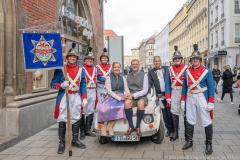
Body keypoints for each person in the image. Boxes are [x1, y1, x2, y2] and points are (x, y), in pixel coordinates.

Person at [51, 46, 87, 154]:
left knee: (76, 117)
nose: (72, 58)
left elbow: (83, 85)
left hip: (76, 96)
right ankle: (62, 142)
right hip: (64, 97)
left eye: (74, 57)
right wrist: (61, 85)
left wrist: (84, 97)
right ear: (67, 58)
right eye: (70, 56)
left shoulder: (81, 70)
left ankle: (75, 140)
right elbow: (52, 84)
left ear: (76, 58)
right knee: (63, 118)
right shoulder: (61, 69)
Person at [181, 44, 215, 155]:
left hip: (202, 97)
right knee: (190, 119)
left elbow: (211, 87)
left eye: (196, 59)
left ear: (200, 60)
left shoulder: (206, 71)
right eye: (193, 59)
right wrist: (183, 100)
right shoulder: (187, 72)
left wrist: (210, 101)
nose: (194, 60)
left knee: (206, 120)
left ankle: (208, 143)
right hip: (190, 97)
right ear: (191, 60)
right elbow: (185, 87)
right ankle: (189, 141)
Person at [97, 62, 130, 136]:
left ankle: (110, 126)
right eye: (115, 67)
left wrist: (128, 94)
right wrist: (119, 98)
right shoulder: (108, 78)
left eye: (118, 67)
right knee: (104, 108)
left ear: (120, 68)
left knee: (120, 107)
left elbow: (126, 88)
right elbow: (109, 91)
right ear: (112, 68)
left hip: (121, 95)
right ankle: (103, 126)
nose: (117, 69)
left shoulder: (123, 78)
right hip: (111, 96)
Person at [165, 46, 188, 141]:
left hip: (185, 92)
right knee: (174, 113)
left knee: (187, 113)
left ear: (181, 59)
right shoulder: (169, 69)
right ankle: (175, 133)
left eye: (179, 58)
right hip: (174, 91)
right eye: (175, 58)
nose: (177, 59)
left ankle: (187, 135)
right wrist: (168, 96)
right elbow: (167, 83)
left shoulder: (186, 68)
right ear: (173, 60)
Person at [148, 56, 174, 139]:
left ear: (160, 61)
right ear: (153, 62)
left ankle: (174, 130)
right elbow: (150, 84)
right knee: (164, 114)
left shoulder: (167, 69)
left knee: (171, 113)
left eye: (158, 61)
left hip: (169, 95)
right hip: (159, 96)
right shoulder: (151, 72)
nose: (157, 63)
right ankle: (168, 130)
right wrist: (150, 95)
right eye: (155, 61)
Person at [125, 59, 149, 136]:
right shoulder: (128, 76)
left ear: (139, 65)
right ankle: (131, 126)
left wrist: (134, 95)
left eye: (136, 64)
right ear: (131, 66)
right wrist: (127, 94)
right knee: (127, 103)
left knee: (141, 103)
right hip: (131, 95)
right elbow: (126, 88)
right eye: (133, 64)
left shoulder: (144, 75)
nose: (134, 66)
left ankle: (138, 126)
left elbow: (145, 90)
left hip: (141, 95)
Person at [82, 47, 98, 137]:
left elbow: (100, 79)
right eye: (88, 59)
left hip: (93, 90)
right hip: (84, 91)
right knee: (82, 110)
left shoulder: (96, 69)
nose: (90, 61)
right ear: (85, 60)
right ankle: (82, 131)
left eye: (91, 59)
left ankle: (88, 130)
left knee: (91, 109)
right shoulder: (81, 69)